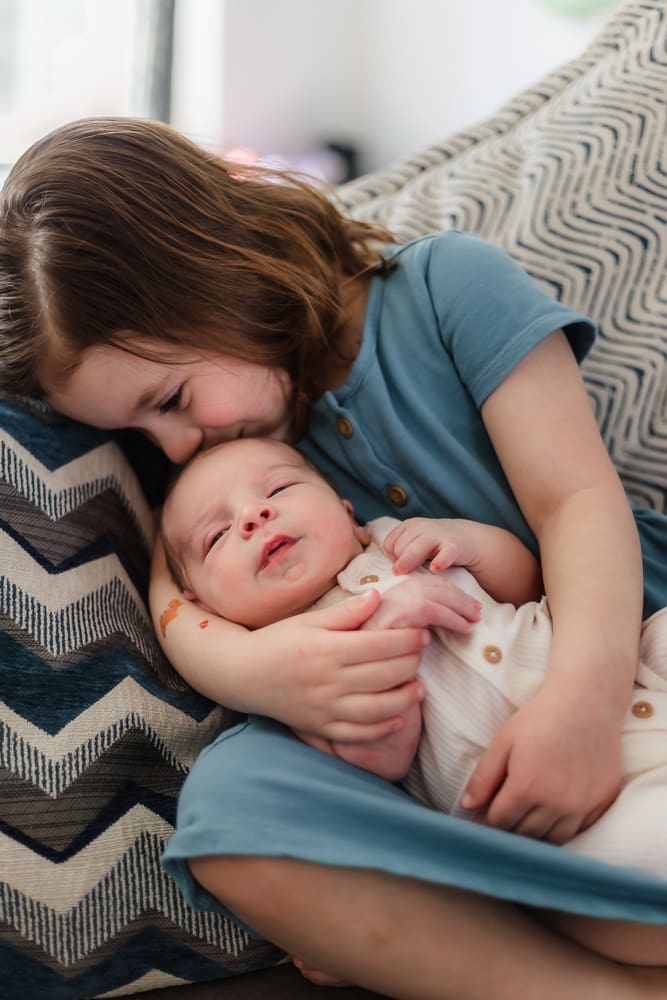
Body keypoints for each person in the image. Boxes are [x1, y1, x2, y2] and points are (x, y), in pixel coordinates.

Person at [2, 117, 667, 997]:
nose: (171, 447)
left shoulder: (443, 286)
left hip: (620, 648)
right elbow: (175, 582)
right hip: (452, 773)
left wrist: (582, 706)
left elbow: (575, 502)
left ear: (213, 264)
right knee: (232, 817)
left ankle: (446, 915)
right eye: (135, 431)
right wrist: (251, 669)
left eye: (169, 398)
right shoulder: (217, 465)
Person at [160, 435, 667, 887]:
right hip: (547, 806)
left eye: (278, 491)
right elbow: (383, 761)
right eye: (217, 536)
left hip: (622, 669)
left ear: (347, 512)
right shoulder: (293, 672)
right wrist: (391, 639)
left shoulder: (397, 539)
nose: (253, 515)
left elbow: (527, 586)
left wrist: (470, 543)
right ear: (201, 605)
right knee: (645, 844)